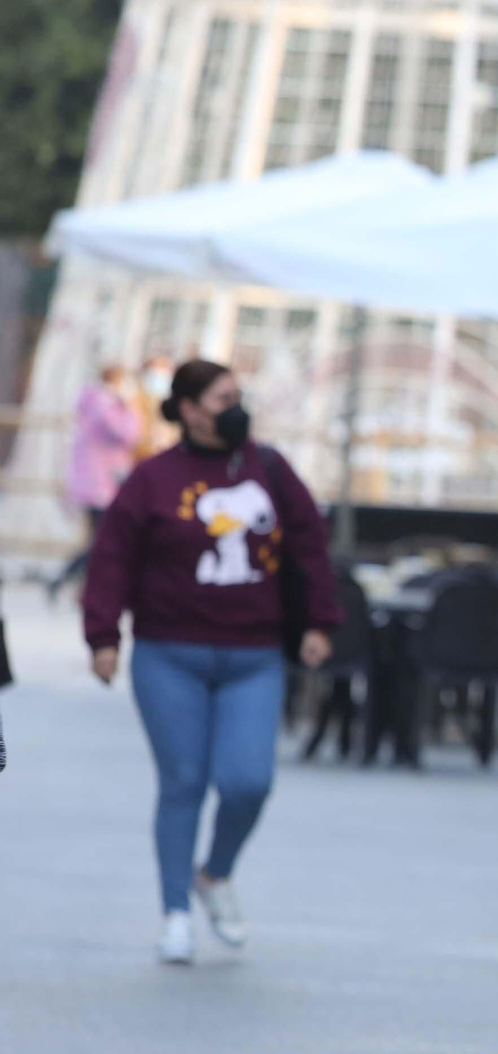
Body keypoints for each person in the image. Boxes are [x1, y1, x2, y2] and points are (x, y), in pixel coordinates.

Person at [83, 359, 341, 965]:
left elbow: (309, 544)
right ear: (191, 409)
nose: (236, 406)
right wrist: (103, 636)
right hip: (169, 652)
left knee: (249, 782)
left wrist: (319, 623)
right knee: (183, 783)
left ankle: (215, 873)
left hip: (253, 654)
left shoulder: (269, 469)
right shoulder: (152, 479)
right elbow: (113, 558)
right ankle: (175, 913)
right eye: (223, 397)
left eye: (238, 396)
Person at [49, 365, 140, 601]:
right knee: (103, 541)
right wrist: (129, 407)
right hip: (101, 485)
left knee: (98, 540)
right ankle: (67, 581)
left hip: (95, 483)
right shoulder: (106, 406)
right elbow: (129, 434)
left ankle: (75, 585)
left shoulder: (94, 403)